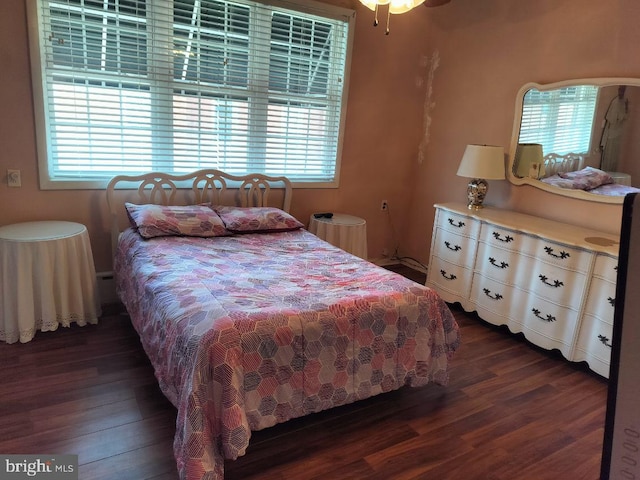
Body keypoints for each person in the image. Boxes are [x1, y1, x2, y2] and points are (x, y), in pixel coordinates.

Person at [600, 85, 629, 172]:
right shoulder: (615, 102)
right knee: (608, 157)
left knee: (614, 159)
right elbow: (612, 119)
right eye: (621, 90)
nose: (622, 92)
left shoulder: (624, 102)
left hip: (618, 133)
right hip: (611, 134)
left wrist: (626, 108)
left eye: (624, 90)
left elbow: (625, 117)